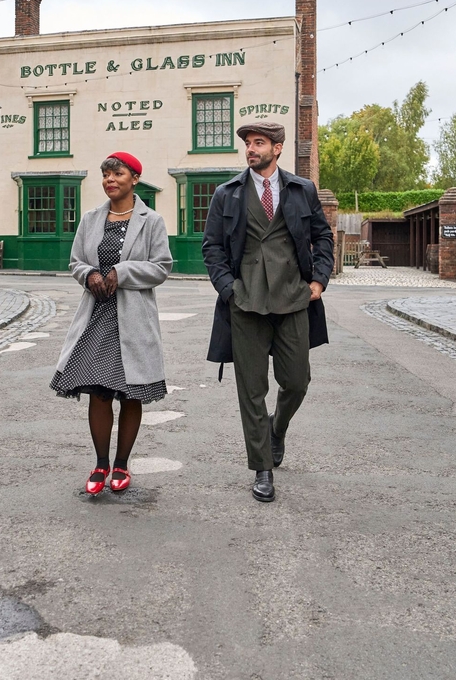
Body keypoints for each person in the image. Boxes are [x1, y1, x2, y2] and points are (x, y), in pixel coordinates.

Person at [202, 123, 334, 503]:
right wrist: (228, 289)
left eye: (258, 143)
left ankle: (277, 429)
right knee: (252, 390)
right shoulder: (227, 194)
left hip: (293, 299)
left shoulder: (301, 190)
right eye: (247, 144)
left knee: (297, 381)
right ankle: (262, 467)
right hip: (245, 304)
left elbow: (322, 236)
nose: (250, 150)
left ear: (278, 148)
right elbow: (212, 247)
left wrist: (320, 281)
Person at [51, 152, 173, 495]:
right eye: (106, 175)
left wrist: (123, 271)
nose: (110, 180)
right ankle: (101, 464)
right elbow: (75, 261)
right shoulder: (90, 219)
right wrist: (88, 274)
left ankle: (122, 464)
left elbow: (161, 267)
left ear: (134, 178)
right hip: (97, 317)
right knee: (99, 392)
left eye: (117, 174)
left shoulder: (152, 221)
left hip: (133, 319)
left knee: (130, 393)